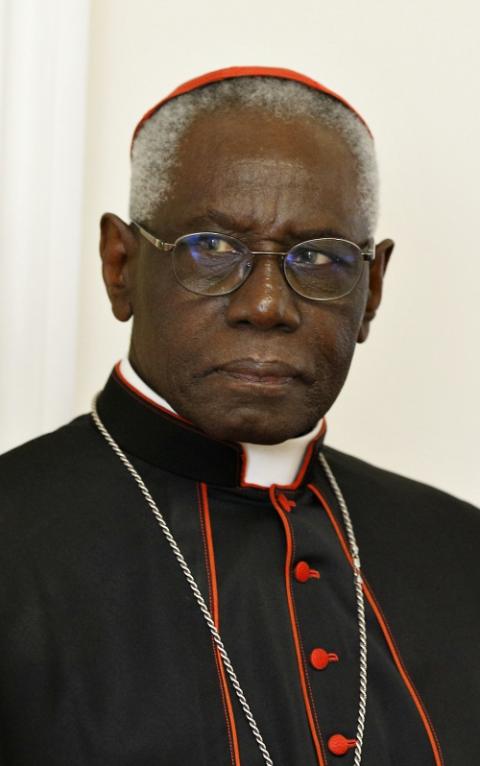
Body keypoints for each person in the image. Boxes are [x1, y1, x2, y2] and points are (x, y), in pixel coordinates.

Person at [0, 66, 478, 766]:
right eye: (212, 248)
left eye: (317, 258)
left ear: (371, 291)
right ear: (120, 265)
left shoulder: (463, 553)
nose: (266, 306)